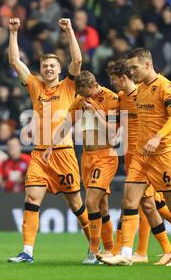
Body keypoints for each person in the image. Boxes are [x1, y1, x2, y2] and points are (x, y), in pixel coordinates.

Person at [105, 59, 171, 263]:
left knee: (161, 206)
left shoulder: (161, 88)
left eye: (115, 78)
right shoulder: (125, 97)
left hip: (161, 156)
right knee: (136, 201)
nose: (113, 83)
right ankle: (127, 254)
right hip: (138, 156)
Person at [7, 17, 89, 263]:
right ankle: (27, 252)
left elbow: (78, 60)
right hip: (39, 154)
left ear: (59, 69)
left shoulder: (68, 87)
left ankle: (95, 247)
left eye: (53, 66)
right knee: (31, 199)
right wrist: (13, 32)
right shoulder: (34, 86)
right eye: (45, 66)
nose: (49, 69)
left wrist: (70, 30)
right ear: (41, 69)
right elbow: (14, 61)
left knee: (76, 204)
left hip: (63, 152)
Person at [44, 70, 120, 264]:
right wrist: (51, 145)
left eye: (87, 95)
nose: (84, 99)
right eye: (82, 96)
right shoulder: (79, 100)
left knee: (91, 202)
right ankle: (110, 250)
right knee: (102, 206)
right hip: (87, 157)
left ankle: (93, 251)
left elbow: (113, 136)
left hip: (106, 156)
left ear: (95, 86)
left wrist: (95, 112)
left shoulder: (111, 98)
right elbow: (66, 125)